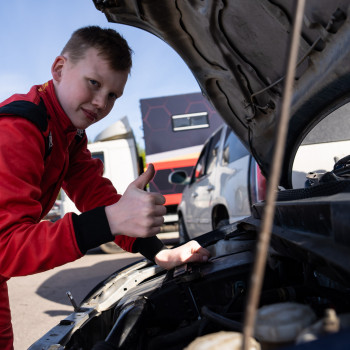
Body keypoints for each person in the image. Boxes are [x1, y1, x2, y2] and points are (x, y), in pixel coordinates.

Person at [0, 26, 210, 349]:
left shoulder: (68, 136)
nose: (101, 102)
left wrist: (160, 252)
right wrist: (111, 219)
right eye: (94, 83)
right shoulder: (20, 128)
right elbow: (6, 247)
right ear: (59, 69)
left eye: (113, 95)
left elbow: (98, 197)